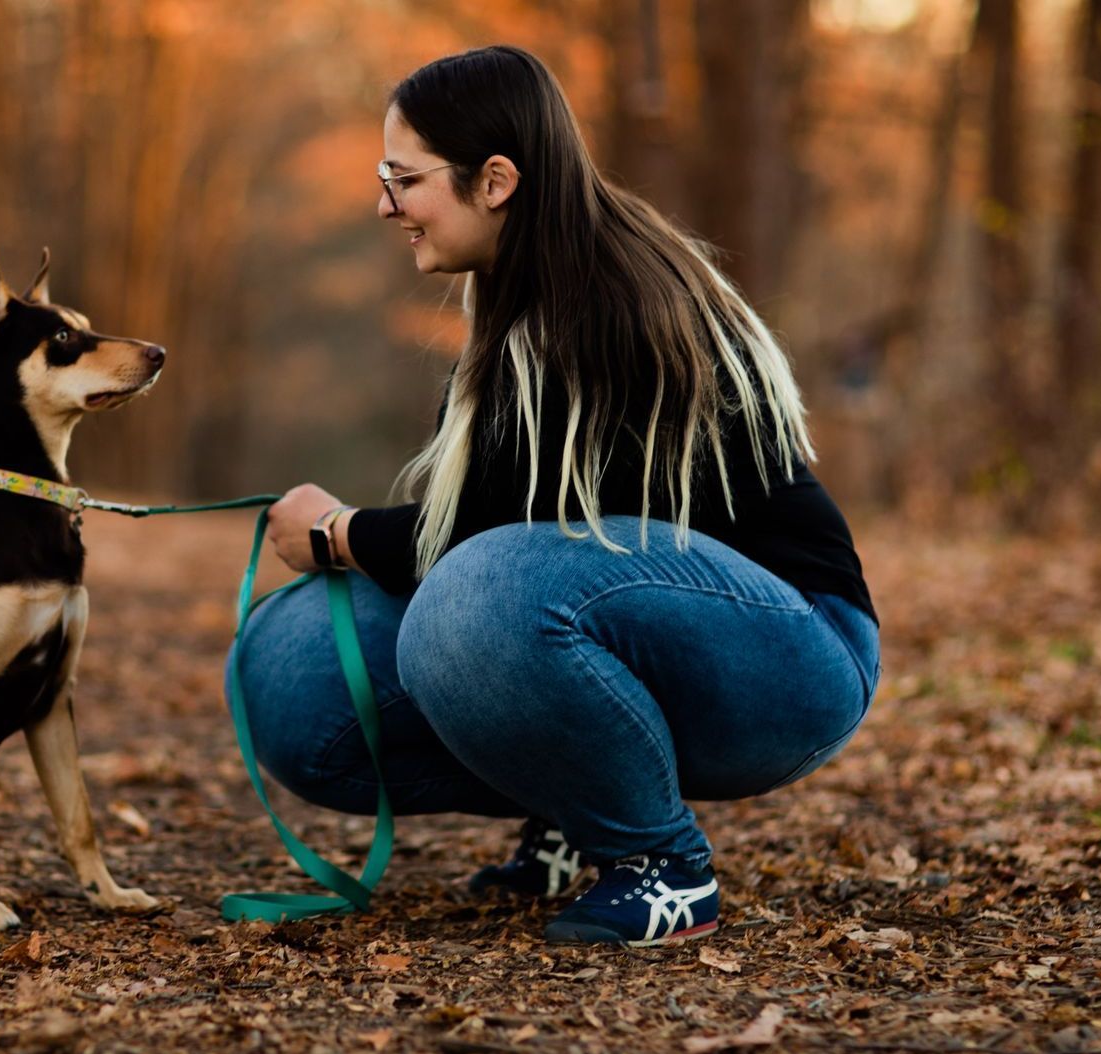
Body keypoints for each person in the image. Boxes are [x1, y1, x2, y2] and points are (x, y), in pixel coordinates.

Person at [225, 45, 880, 947]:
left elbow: (493, 549)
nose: (384, 204)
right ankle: (584, 811)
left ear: (494, 180)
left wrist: (337, 533)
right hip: (658, 626)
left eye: (403, 179)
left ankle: (663, 866)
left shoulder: (611, 298)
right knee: (292, 667)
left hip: (793, 655)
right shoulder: (523, 291)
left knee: (475, 598)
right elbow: (516, 529)